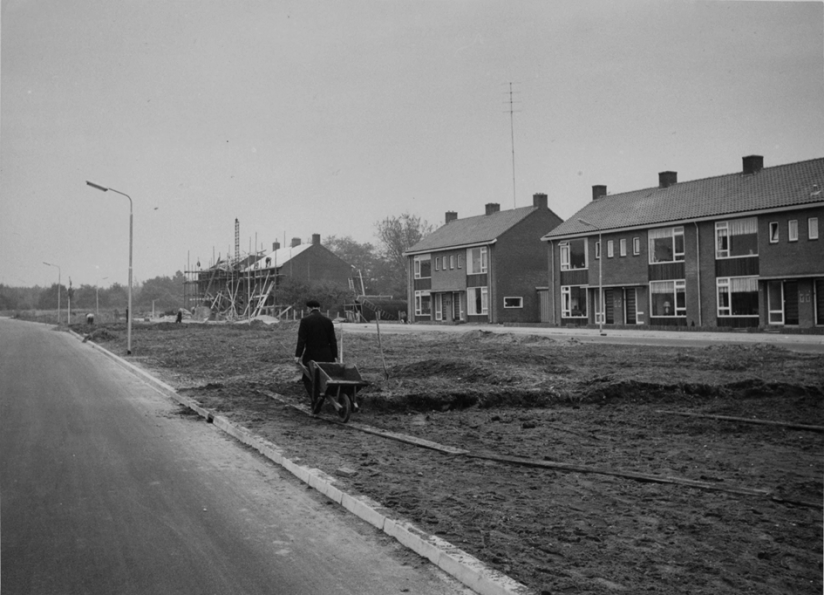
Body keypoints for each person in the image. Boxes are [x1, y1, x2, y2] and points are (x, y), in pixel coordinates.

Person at [294, 300, 338, 401]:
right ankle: (324, 393)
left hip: (311, 356)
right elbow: (333, 340)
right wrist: (335, 355)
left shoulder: (305, 321)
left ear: (309, 308)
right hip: (327, 355)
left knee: (307, 378)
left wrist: (297, 356)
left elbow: (302, 340)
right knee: (325, 377)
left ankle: (315, 397)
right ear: (318, 308)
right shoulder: (328, 321)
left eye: (307, 308)